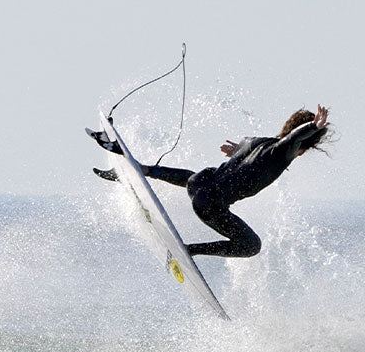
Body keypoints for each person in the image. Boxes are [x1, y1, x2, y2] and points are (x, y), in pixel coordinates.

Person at [87, 105, 330, 258]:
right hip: (210, 205)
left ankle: (144, 169)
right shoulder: (283, 151)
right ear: (303, 145)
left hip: (198, 183)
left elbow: (246, 146)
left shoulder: (255, 141)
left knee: (197, 179)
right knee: (251, 246)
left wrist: (237, 149)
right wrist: (314, 126)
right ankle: (191, 250)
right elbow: (294, 138)